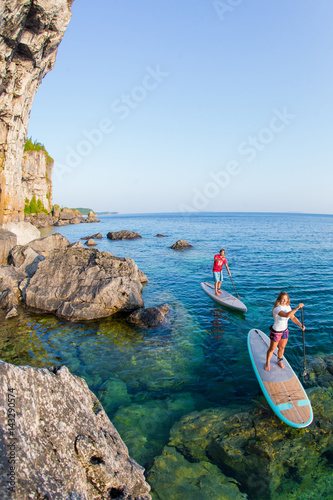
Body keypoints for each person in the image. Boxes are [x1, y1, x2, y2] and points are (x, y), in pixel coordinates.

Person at [264, 291, 305, 371]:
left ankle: (279, 361)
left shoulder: (288, 307)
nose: (284, 301)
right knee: (272, 349)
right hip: (276, 332)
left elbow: (292, 317)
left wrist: (300, 325)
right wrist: (297, 308)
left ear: (288, 300)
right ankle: (267, 362)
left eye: (286, 299)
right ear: (279, 299)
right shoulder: (277, 308)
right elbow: (287, 315)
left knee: (282, 348)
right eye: (283, 299)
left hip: (285, 331)